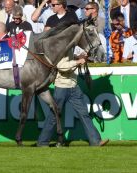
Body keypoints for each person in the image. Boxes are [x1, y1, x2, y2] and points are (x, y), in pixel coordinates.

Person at [36, 0, 109, 147]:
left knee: (84, 114)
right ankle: (42, 142)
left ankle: (95, 141)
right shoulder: (61, 47)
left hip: (73, 85)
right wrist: (77, 62)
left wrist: (79, 57)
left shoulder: (70, 46)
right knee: (53, 116)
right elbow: (61, 66)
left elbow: (70, 60)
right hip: (62, 86)